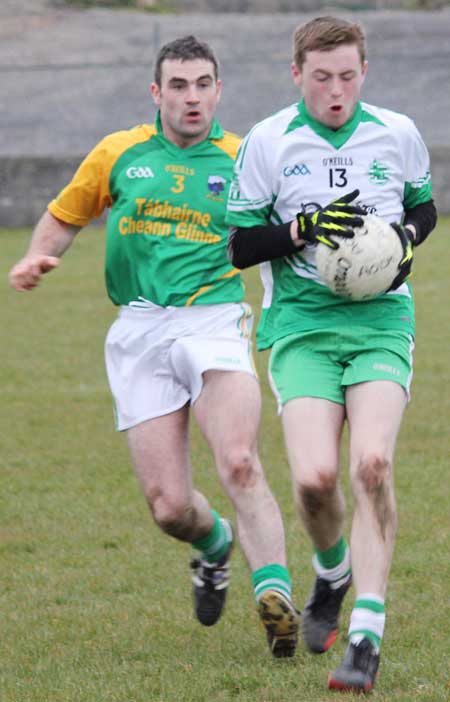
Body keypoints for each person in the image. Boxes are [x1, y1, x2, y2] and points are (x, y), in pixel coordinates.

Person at [8, 35, 300, 658]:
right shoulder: (119, 153)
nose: (191, 97)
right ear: (156, 92)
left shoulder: (244, 157)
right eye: (178, 85)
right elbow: (64, 216)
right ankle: (215, 544)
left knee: (240, 460)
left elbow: (285, 231)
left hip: (214, 320)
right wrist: (38, 254)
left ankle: (275, 595)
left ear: (219, 89)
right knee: (169, 508)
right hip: (139, 327)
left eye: (202, 84)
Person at [226, 16, 437, 693]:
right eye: (322, 78)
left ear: (363, 72)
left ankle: (366, 635)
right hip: (302, 326)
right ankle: (333, 573)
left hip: (379, 321)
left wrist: (401, 242)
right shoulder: (268, 141)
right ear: (297, 75)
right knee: (316, 482)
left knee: (371, 465)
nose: (336, 91)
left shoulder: (397, 132)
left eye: (347, 76)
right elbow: (239, 246)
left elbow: (425, 210)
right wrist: (302, 229)